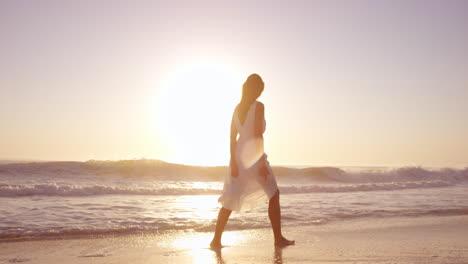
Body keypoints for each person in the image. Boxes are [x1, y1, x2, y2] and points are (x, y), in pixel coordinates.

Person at [210, 73, 295, 248]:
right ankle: (278, 238)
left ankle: (215, 240)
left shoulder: (236, 109)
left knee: (230, 199)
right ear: (252, 88)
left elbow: (232, 139)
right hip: (254, 155)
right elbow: (257, 134)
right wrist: (262, 164)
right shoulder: (259, 106)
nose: (260, 92)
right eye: (259, 88)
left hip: (238, 156)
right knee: (274, 194)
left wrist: (233, 163)